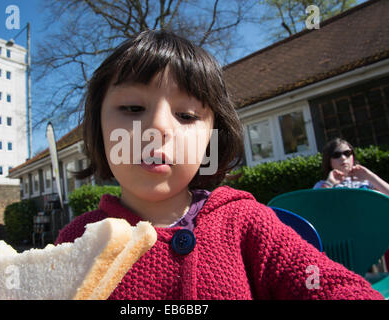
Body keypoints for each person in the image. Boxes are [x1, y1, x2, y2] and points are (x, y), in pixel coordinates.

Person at [55, 30, 382, 299]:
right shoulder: (77, 241)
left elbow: (336, 287)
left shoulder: (246, 222)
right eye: (131, 107)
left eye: (186, 115)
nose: (157, 127)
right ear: (99, 130)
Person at [313, 138, 389, 196]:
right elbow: (315, 207)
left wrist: (369, 176)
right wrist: (329, 183)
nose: (343, 158)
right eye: (336, 155)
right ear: (328, 161)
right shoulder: (322, 185)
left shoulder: (366, 181)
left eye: (347, 153)